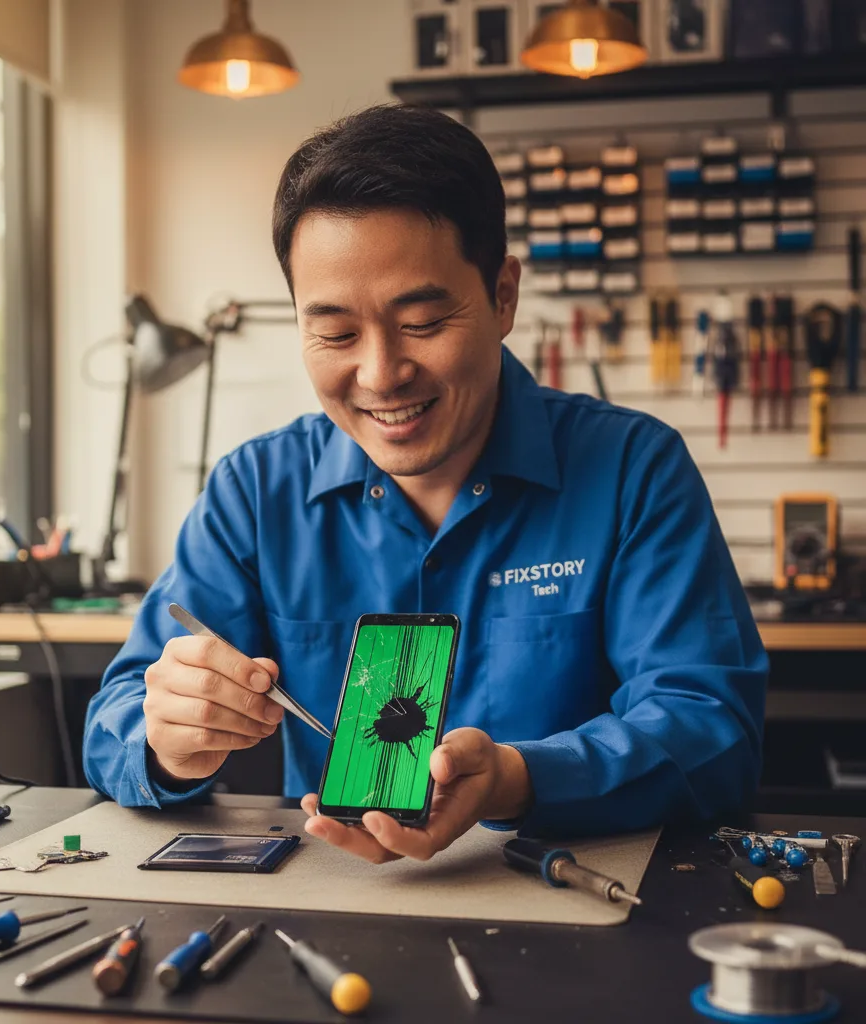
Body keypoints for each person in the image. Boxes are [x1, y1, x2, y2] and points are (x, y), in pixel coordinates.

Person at [83, 104, 767, 864]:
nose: (380, 375)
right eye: (336, 333)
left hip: (578, 919)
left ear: (503, 296)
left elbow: (712, 729)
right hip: (330, 914)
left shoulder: (635, 471)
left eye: (422, 322)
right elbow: (115, 721)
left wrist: (519, 777)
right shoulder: (255, 492)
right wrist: (168, 739)